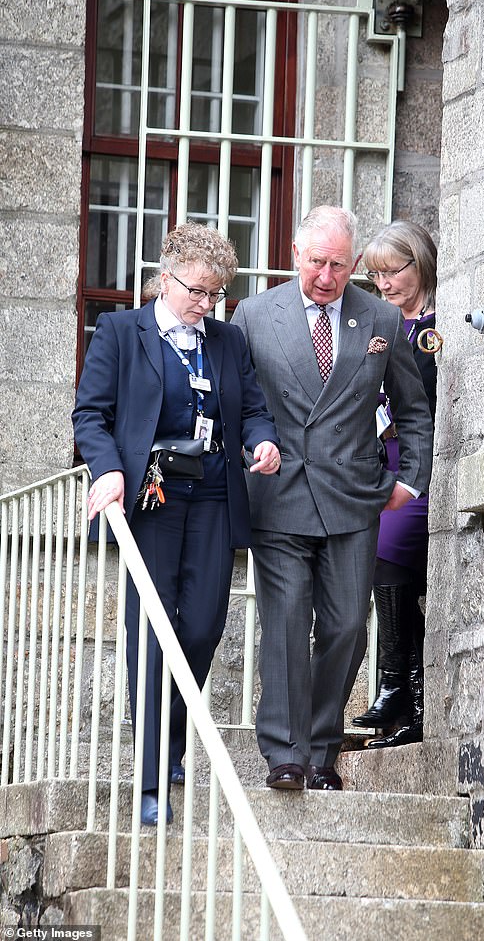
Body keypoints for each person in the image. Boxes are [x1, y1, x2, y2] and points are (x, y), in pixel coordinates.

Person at [73, 222, 280, 825]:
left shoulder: (227, 341)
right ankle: (152, 774)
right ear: (165, 279)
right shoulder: (119, 332)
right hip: (153, 497)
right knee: (151, 632)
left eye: (217, 294)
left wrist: (261, 444)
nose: (207, 304)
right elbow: (91, 415)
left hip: (214, 493)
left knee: (205, 625)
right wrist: (107, 470)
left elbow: (255, 409)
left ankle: (173, 738)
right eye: (198, 291)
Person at [231, 205, 433, 791]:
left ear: (353, 265)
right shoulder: (254, 314)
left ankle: (323, 745)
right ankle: (287, 753)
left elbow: (412, 409)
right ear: (296, 255)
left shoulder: (379, 318)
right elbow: (238, 402)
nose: (326, 276)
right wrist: (246, 456)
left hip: (353, 496)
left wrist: (410, 478)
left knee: (347, 627)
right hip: (280, 492)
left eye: (339, 265)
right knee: (288, 622)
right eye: (317, 262)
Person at [352, 220, 437, 748]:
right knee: (384, 568)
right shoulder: (379, 322)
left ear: (421, 263)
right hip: (378, 462)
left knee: (388, 552)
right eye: (376, 276)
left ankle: (395, 689)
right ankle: (408, 700)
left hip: (418, 464)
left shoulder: (433, 325)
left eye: (393, 272)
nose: (384, 285)